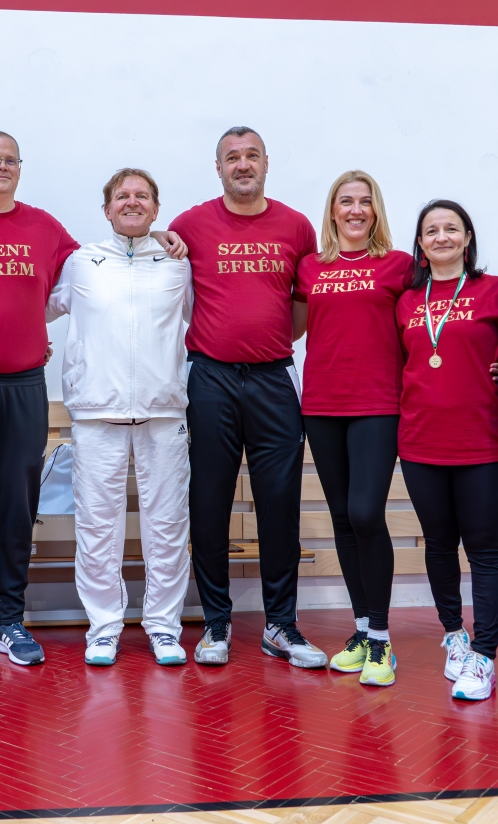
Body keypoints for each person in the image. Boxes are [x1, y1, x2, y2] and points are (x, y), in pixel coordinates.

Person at [0, 132, 183, 672]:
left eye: (10, 160)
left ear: (21, 168)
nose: (2, 166)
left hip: (24, 389)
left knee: (18, 511)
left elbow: (91, 276)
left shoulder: (49, 232)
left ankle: (10, 622)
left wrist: (164, 239)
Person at [168, 127, 325, 668]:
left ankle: (281, 624)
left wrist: (263, 338)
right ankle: (216, 623)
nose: (242, 164)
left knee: (279, 505)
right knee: (208, 503)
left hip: (273, 379)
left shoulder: (297, 226)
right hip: (209, 378)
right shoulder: (189, 224)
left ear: (266, 163)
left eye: (251, 155)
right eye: (232, 157)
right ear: (218, 168)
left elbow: (302, 310)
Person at [46, 168, 193, 667]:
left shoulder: (177, 264)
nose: (132, 202)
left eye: (142, 196)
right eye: (123, 196)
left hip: (163, 413)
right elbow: (34, 307)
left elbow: (207, 320)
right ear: (107, 209)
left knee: (167, 526)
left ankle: (164, 628)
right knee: (97, 528)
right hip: (96, 414)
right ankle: (104, 628)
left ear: (156, 208)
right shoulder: (81, 263)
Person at [293, 171, 411, 687]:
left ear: (376, 210)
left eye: (365, 201)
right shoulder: (310, 267)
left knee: (366, 514)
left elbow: (429, 319)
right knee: (343, 518)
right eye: (346, 201)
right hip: (321, 404)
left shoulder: (400, 265)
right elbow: (290, 326)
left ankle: (382, 638)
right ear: (333, 211)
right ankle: (362, 629)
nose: (356, 209)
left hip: (377, 404)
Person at [396, 200, 498, 700]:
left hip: (481, 441)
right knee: (439, 545)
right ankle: (455, 636)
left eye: (451, 228)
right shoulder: (406, 301)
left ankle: (484, 655)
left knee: (484, 550)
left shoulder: (495, 290)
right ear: (420, 245)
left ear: (467, 238)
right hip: (420, 441)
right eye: (431, 231)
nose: (441, 237)